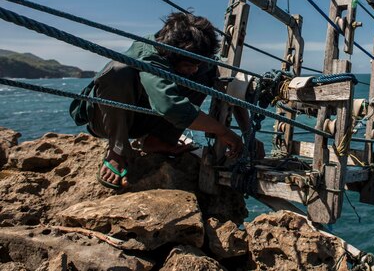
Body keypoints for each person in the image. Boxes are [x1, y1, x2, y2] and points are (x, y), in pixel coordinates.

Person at [70, 12, 248, 189]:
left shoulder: (193, 57)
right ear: (169, 55)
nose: (194, 69)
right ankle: (117, 150)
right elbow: (170, 106)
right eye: (188, 65)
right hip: (106, 117)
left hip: (142, 117)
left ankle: (157, 140)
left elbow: (227, 80)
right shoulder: (151, 56)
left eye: (196, 64)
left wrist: (248, 134)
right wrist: (223, 131)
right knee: (118, 72)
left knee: (205, 74)